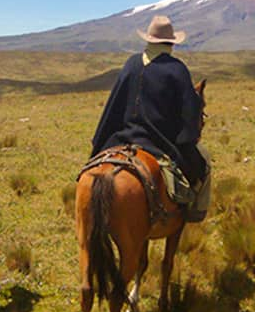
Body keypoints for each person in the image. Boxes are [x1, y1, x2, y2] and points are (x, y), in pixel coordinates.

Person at [90, 15, 211, 221]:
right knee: (204, 161)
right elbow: (190, 112)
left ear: (148, 39)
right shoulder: (176, 68)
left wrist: (101, 140)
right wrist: (185, 137)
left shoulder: (131, 64)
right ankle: (194, 211)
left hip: (121, 138)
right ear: (171, 42)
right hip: (158, 143)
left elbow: (114, 104)